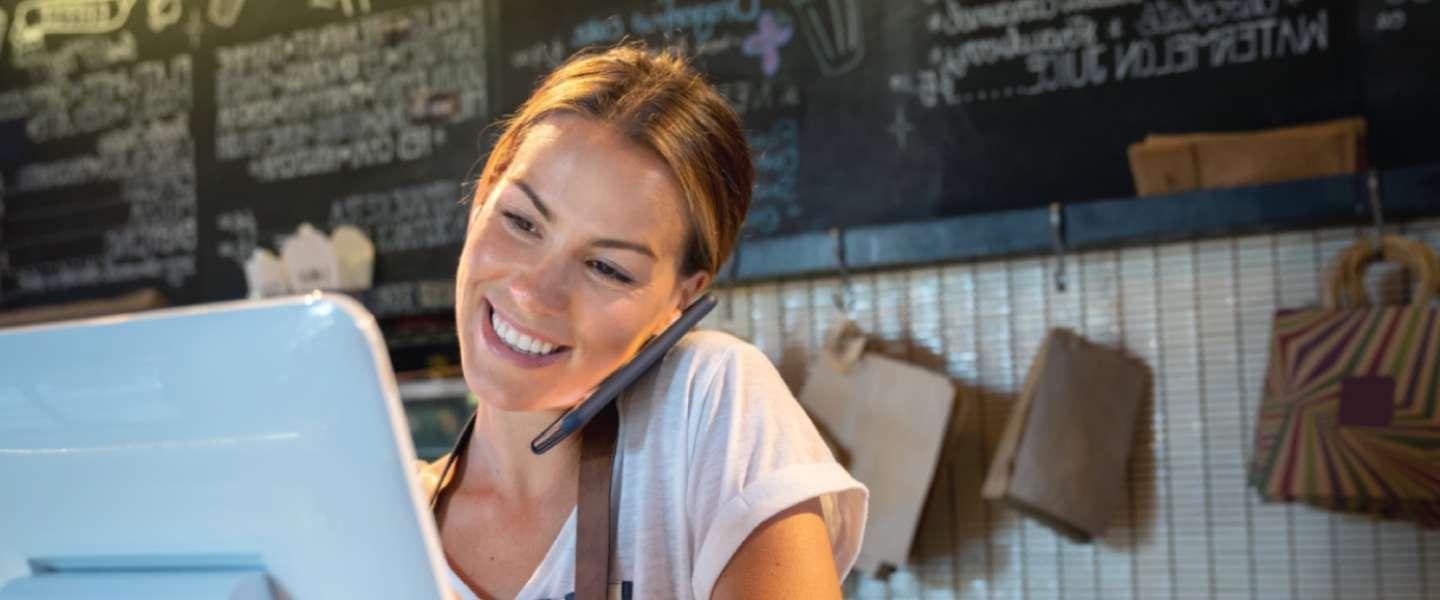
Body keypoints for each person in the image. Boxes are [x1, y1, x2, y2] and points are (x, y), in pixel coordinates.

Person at [416, 45, 867, 600]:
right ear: (481, 199)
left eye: (607, 268)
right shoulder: (377, 517)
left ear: (681, 298)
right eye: (520, 221)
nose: (534, 292)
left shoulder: (708, 399)